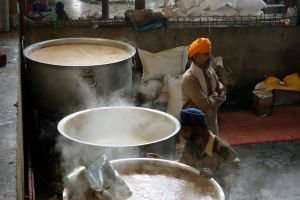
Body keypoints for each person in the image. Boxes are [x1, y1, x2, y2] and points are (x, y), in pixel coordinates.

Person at [179, 108, 240, 199]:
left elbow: (234, 175)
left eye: (186, 131)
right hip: (194, 193)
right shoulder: (190, 145)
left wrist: (215, 176)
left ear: (198, 130)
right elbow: (182, 168)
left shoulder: (222, 149)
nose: (183, 135)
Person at [181, 37, 226, 135]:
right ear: (196, 56)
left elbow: (223, 92)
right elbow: (205, 105)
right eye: (206, 54)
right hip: (196, 130)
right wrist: (215, 95)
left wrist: (211, 101)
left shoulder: (210, 71)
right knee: (199, 150)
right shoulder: (189, 78)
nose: (210, 57)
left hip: (212, 125)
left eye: (209, 53)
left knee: (212, 149)